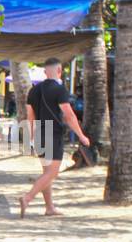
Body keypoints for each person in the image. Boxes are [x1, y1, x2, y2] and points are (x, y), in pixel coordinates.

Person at [19, 57, 91, 218]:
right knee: (52, 173)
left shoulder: (33, 90)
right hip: (52, 133)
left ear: (45, 72)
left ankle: (49, 207)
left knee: (46, 172)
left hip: (39, 134)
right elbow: (69, 115)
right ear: (59, 71)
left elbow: (30, 116)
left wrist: (30, 139)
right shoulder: (60, 90)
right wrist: (81, 135)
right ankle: (27, 198)